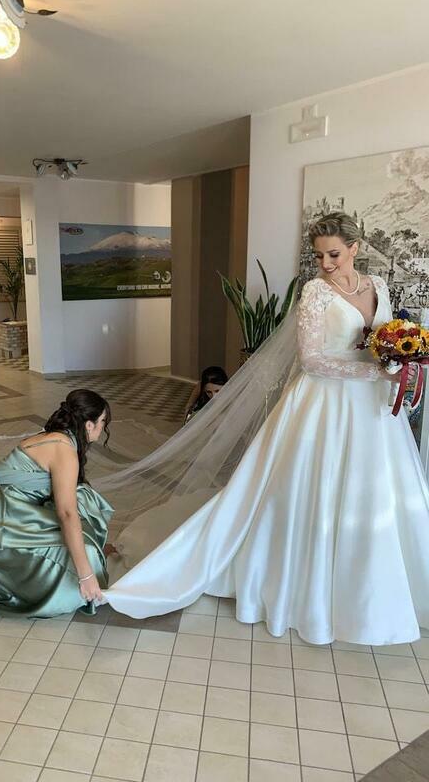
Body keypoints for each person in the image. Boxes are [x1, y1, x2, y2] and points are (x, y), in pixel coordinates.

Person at [104, 212, 429, 646]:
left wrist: (397, 360)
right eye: (319, 255)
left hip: (372, 411)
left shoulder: (380, 287)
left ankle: (375, 594)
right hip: (323, 406)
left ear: (355, 248)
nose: (326, 264)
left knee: (374, 493)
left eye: (334, 254)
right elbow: (311, 360)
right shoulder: (315, 292)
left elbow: (383, 339)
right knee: (311, 490)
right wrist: (375, 372)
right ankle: (301, 587)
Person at [0, 389, 114, 618]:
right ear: (89, 424)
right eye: (103, 421)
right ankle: (64, 586)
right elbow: (66, 514)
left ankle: (89, 555)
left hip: (6, 517)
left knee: (83, 499)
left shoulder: (56, 437)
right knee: (84, 547)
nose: (103, 427)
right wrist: (86, 576)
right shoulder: (64, 449)